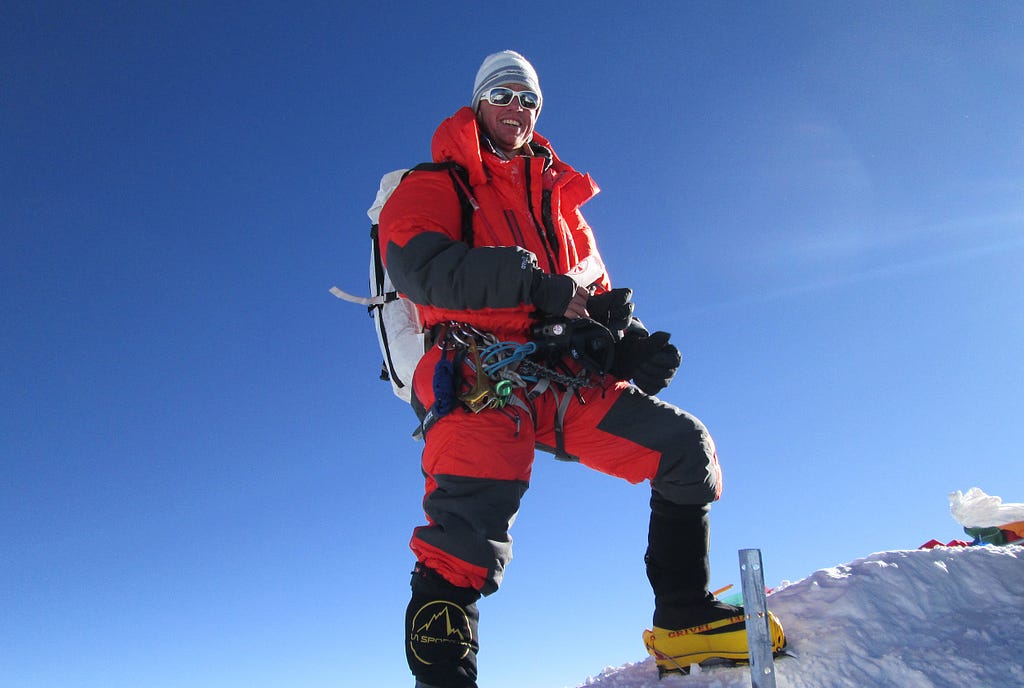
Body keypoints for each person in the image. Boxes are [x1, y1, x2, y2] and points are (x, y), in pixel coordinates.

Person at [378, 50, 785, 688]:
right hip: (480, 376)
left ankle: (682, 622)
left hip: (564, 377)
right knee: (463, 540)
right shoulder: (434, 184)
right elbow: (419, 266)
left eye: (528, 100)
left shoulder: (562, 203)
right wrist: (529, 284)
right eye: (505, 96)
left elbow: (592, 290)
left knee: (684, 450)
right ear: (479, 103)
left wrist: (631, 343)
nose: (518, 109)